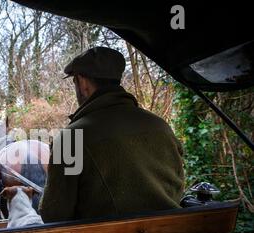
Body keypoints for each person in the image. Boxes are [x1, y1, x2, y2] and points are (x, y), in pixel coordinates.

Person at [39, 47, 184, 222]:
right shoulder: (161, 126)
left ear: (83, 82)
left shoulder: (72, 138)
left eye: (75, 82)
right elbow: (177, 188)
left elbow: (54, 214)